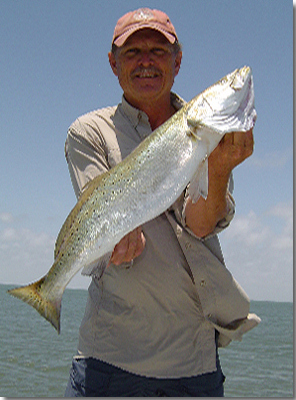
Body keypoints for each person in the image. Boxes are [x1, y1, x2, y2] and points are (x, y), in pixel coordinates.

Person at [64, 8, 259, 397]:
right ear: (113, 63)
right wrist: (116, 240)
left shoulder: (210, 132)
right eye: (133, 51)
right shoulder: (90, 131)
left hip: (194, 364)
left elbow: (201, 225)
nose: (146, 61)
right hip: (112, 361)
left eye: (158, 49)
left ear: (178, 60)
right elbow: (95, 213)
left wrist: (219, 167)